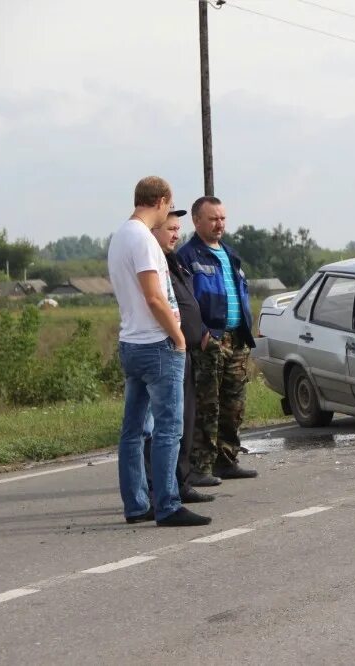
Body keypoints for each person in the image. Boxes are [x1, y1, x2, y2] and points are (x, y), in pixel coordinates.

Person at [106, 176, 211, 527]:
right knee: (169, 427)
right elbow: (154, 296)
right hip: (156, 343)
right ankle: (167, 504)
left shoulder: (120, 237)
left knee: (133, 429)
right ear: (163, 200)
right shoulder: (144, 240)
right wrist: (178, 336)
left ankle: (136, 504)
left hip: (131, 341)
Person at [177, 196, 258, 485]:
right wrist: (200, 335)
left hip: (237, 339)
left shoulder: (230, 254)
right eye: (213, 219)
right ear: (197, 221)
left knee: (233, 403)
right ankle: (199, 467)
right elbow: (186, 302)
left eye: (222, 218)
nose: (219, 223)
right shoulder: (188, 256)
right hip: (210, 341)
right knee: (206, 405)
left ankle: (227, 459)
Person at [143, 208, 215, 504]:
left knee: (184, 418)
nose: (176, 234)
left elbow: (186, 302)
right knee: (165, 424)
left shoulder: (173, 261)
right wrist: (180, 336)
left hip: (186, 348)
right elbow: (157, 303)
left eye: (177, 229)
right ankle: (161, 486)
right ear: (154, 231)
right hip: (167, 349)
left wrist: (200, 330)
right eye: (170, 228)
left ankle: (181, 481)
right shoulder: (152, 263)